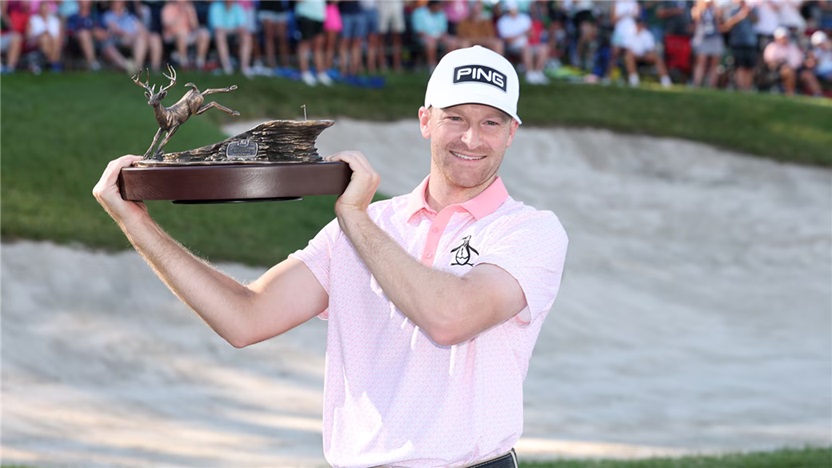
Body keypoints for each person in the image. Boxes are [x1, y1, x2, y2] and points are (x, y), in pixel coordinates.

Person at [92, 45, 568, 467]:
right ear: (426, 121)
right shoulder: (365, 226)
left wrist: (355, 217)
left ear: (511, 132)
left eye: (490, 122)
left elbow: (449, 317)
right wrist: (137, 222)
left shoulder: (529, 231)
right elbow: (245, 318)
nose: (471, 139)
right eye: (455, 118)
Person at [497, 0, 550, 85]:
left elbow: (532, 35)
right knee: (525, 48)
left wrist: (525, 34)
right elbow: (508, 40)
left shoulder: (524, 18)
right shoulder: (503, 21)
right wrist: (522, 34)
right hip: (513, 46)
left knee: (544, 48)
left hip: (528, 44)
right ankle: (530, 73)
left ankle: (538, 72)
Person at [763, 26, 822, 95]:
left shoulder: (793, 47)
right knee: (789, 71)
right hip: (780, 70)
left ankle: (818, 94)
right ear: (777, 38)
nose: (785, 39)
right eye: (783, 37)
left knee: (808, 75)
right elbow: (770, 63)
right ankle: (791, 93)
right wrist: (781, 63)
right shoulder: (772, 47)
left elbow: (800, 61)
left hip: (797, 70)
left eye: (786, 37)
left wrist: (807, 62)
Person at [623, 17, 672, 87]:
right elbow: (627, 48)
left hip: (644, 56)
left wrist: (644, 55)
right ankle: (634, 80)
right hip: (634, 56)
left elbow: (650, 49)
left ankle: (665, 80)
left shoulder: (647, 34)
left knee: (657, 57)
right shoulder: (629, 33)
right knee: (629, 56)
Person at [208, 0, 253, 77]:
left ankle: (244, 67)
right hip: (217, 35)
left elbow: (242, 27)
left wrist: (230, 30)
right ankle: (227, 67)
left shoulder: (238, 7)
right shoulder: (215, 6)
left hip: (233, 35)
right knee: (220, 36)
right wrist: (233, 29)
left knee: (246, 37)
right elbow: (217, 28)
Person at [721, 0, 758, 91]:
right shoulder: (731, 9)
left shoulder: (751, 9)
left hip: (750, 42)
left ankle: (747, 88)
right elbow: (727, 24)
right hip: (737, 42)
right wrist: (740, 16)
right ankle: (741, 88)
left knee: (749, 67)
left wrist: (748, 12)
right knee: (740, 66)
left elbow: (756, 20)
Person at [161, 0, 210, 70]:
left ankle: (200, 63)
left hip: (188, 34)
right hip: (173, 36)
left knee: (204, 34)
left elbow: (195, 26)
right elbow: (167, 25)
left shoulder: (189, 7)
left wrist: (190, 15)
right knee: (181, 35)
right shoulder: (169, 8)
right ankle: (184, 64)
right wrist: (180, 14)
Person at [411, 0, 457, 71]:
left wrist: (441, 37)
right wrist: (430, 37)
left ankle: (450, 65)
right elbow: (419, 31)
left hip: (439, 37)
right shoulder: (418, 13)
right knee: (431, 43)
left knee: (452, 42)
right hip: (424, 37)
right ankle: (432, 66)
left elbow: (443, 30)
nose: (439, 8)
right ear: (432, 6)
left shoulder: (441, 13)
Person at [690, 0, 724, 88]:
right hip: (702, 38)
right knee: (701, 62)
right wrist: (702, 6)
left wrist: (715, 8)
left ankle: (712, 86)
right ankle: (696, 84)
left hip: (715, 37)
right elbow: (695, 16)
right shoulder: (698, 8)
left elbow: (720, 21)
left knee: (715, 63)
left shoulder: (715, 9)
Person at [27, 1, 63, 72]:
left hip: (53, 41)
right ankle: (53, 62)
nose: (44, 10)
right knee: (45, 38)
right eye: (43, 8)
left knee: (55, 40)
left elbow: (60, 36)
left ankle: (52, 62)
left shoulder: (55, 20)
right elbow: (28, 36)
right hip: (37, 41)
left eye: (46, 8)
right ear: (39, 9)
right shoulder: (33, 20)